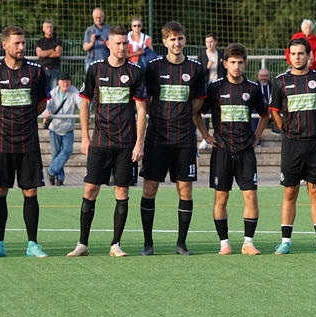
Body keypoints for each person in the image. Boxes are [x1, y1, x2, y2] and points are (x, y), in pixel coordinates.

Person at [68, 25, 147, 257]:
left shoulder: (135, 72)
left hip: (125, 143)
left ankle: (115, 244)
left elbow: (141, 109)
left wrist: (139, 142)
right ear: (109, 44)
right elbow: (84, 103)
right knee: (90, 189)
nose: (122, 47)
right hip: (100, 141)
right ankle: (82, 244)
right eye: (118, 43)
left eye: (125, 43)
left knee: (121, 192)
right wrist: (85, 136)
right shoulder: (95, 69)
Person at [0, 25, 50, 259]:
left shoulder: (37, 71)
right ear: (5, 45)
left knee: (30, 191)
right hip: (1, 142)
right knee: (0, 191)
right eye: (17, 43)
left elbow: (42, 103)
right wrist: (3, 121)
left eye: (23, 43)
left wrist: (26, 118)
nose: (21, 47)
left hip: (28, 141)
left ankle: (33, 244)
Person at [139, 21, 207, 256]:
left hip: (184, 138)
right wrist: (158, 116)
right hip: (157, 137)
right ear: (164, 42)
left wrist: (184, 114)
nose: (176, 43)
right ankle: (148, 243)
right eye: (172, 39)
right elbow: (145, 100)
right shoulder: (153, 67)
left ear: (184, 40)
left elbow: (199, 100)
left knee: (185, 190)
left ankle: (181, 243)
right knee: (150, 188)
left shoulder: (196, 68)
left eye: (180, 38)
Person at [194, 43, 269, 255]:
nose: (237, 66)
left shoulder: (252, 89)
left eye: (240, 62)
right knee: (221, 198)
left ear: (245, 64)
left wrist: (256, 136)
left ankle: (248, 243)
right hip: (222, 150)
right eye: (233, 62)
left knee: (251, 197)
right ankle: (224, 244)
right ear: (225, 63)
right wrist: (206, 136)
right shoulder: (215, 88)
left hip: (245, 151)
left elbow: (265, 115)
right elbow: (196, 112)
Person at [269, 37, 316, 255]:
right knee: (290, 192)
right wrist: (285, 129)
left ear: (309, 55)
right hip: (292, 144)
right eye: (293, 54)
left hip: (315, 143)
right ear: (288, 56)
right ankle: (285, 242)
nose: (297, 57)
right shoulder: (280, 81)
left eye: (301, 53)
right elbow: (274, 111)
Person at [43, 73, 80, 186]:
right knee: (56, 153)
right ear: (58, 82)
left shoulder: (74, 92)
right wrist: (46, 111)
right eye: (63, 81)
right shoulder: (53, 92)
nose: (65, 84)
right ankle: (60, 178)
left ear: (70, 82)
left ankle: (51, 170)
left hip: (68, 128)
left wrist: (84, 110)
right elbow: (47, 105)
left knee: (67, 151)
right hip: (55, 127)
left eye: (67, 81)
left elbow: (81, 103)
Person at [196, 34, 222, 149]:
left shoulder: (220, 55)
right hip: (206, 87)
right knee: (204, 112)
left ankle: (220, 134)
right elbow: (198, 72)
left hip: (219, 88)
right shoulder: (202, 55)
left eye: (211, 41)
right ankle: (205, 137)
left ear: (216, 42)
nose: (209, 44)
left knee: (218, 111)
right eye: (207, 42)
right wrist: (207, 67)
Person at [34, 20, 63, 91]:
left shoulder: (57, 40)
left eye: (51, 27)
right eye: (47, 27)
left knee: (54, 91)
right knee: (43, 90)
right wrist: (53, 50)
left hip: (54, 69)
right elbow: (40, 54)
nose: (49, 29)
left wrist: (45, 54)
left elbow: (58, 53)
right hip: (43, 69)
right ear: (43, 29)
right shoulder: (39, 42)